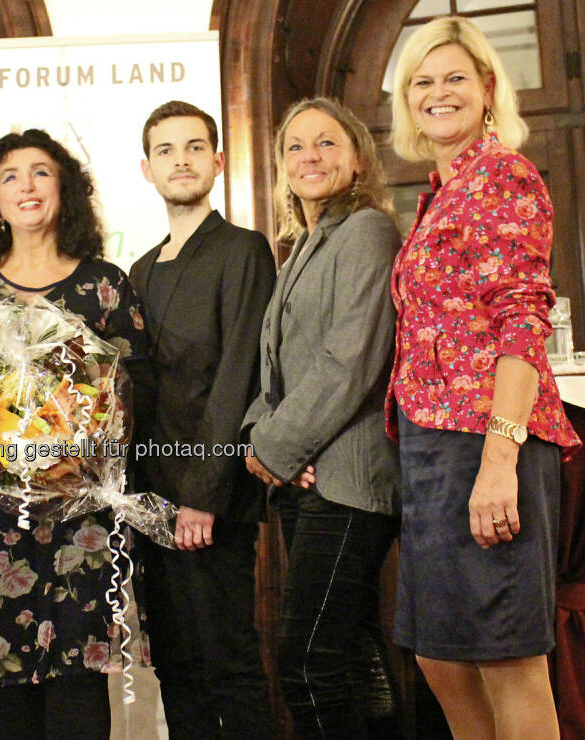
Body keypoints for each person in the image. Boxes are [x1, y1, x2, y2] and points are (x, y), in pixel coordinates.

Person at [0, 128, 148, 740]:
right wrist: (3, 456)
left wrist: (70, 454)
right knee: (10, 690)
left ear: (64, 190)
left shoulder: (106, 285)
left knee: (79, 691)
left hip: (81, 513)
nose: (27, 186)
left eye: (41, 172)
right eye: (11, 176)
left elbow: (128, 397)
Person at [388, 16, 581, 738]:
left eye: (454, 78)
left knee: (507, 660)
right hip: (431, 448)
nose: (438, 93)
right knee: (445, 659)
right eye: (422, 82)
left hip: (485, 442)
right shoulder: (444, 186)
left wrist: (500, 458)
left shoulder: (502, 174)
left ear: (489, 88)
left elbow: (523, 323)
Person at [241, 97, 402, 737]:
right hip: (305, 477)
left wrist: (275, 449)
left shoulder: (367, 229)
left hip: (350, 480)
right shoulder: (303, 244)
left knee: (306, 663)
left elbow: (350, 360)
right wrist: (260, 434)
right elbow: (274, 369)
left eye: (327, 143)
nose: (311, 156)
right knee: (355, 662)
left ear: (358, 157)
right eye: (296, 146)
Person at [128, 100, 275, 738]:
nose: (180, 160)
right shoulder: (138, 270)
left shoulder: (243, 251)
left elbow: (238, 377)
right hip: (150, 500)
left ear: (217, 162)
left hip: (209, 500)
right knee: (175, 666)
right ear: (146, 168)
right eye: (166, 150)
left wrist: (202, 499)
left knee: (229, 663)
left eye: (193, 147)